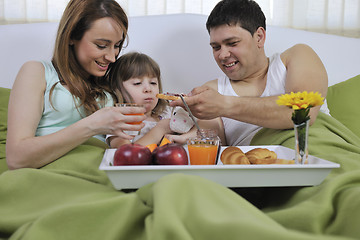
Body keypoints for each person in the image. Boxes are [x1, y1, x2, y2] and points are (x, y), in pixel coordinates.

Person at [6, 0, 146, 169]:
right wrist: (93, 125)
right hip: (53, 174)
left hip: (104, 173)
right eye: (101, 45)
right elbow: (16, 158)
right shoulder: (37, 72)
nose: (112, 57)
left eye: (117, 46)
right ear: (72, 36)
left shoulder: (111, 82)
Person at [170, 0, 329, 146]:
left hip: (323, 151)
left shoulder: (297, 56)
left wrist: (225, 105)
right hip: (265, 166)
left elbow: (302, 111)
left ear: (259, 37)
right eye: (216, 47)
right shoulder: (211, 92)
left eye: (232, 43)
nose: (223, 55)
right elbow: (213, 149)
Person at [107, 51, 194, 148]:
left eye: (153, 83)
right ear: (117, 89)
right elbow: (123, 153)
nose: (148, 89)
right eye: (137, 83)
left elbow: (202, 129)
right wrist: (160, 129)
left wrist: (188, 111)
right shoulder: (119, 121)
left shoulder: (168, 112)